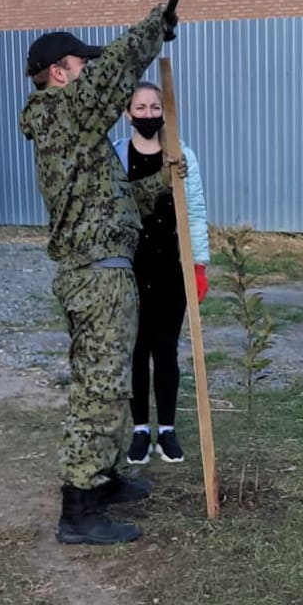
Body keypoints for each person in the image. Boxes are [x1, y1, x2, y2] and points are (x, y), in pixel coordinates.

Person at [19, 3, 181, 545]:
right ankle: (79, 510)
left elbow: (114, 203)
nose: (89, 70)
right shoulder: (63, 113)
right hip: (95, 278)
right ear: (59, 73)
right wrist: (155, 25)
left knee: (109, 387)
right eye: (80, 63)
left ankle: (104, 478)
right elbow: (114, 72)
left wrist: (161, 181)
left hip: (105, 273)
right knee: (98, 390)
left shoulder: (78, 135)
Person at [113, 81, 210, 466]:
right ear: (128, 113)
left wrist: (198, 264)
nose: (149, 114)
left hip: (171, 267)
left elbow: (197, 211)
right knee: (136, 350)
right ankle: (140, 430)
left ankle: (166, 429)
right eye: (141, 107)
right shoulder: (117, 156)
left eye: (156, 106)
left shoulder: (181, 156)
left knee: (165, 349)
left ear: (164, 111)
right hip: (131, 269)